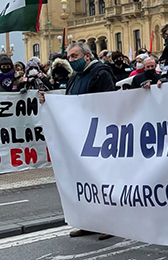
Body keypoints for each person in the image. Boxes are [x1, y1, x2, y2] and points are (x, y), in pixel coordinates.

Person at [41, 42, 116, 241]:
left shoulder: (101, 73)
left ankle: (110, 223)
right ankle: (88, 222)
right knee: (83, 182)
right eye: (69, 57)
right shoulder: (75, 78)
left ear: (87, 56)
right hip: (78, 137)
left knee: (101, 181)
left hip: (97, 135)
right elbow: (68, 104)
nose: (71, 60)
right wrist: (48, 101)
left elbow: (109, 103)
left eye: (75, 56)